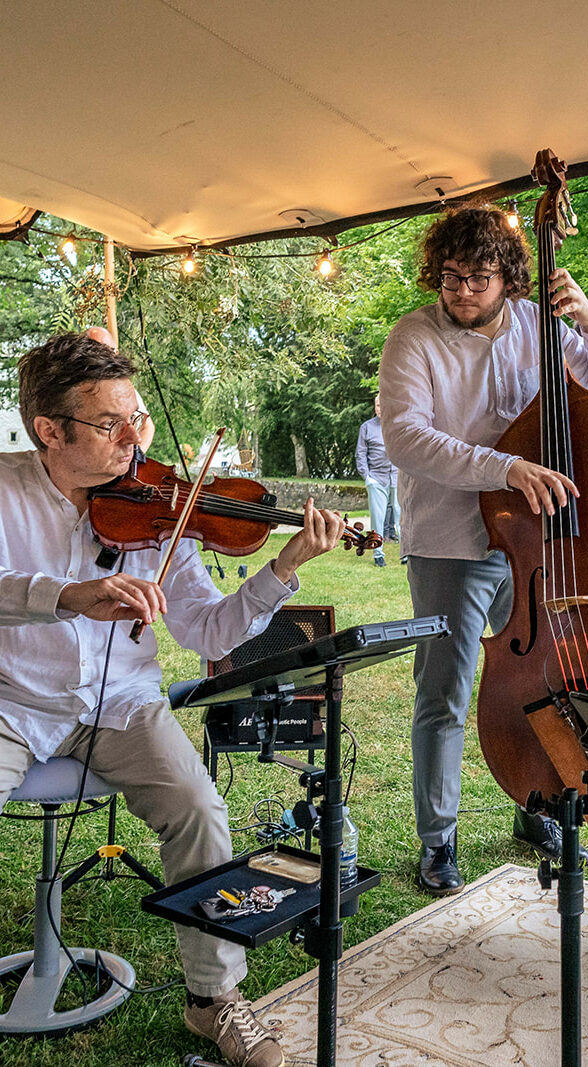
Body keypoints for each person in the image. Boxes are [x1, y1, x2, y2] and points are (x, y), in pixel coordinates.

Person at [0, 333, 346, 1067]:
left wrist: (283, 567)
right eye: (108, 424)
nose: (132, 438)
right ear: (49, 431)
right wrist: (68, 596)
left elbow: (207, 625)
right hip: (13, 700)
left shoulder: (159, 509)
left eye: (136, 417)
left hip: (124, 706)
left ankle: (213, 998)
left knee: (198, 808)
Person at [378, 205, 588, 896]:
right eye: (451, 277)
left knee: (539, 684)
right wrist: (505, 468)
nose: (460, 290)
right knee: (445, 693)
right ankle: (437, 838)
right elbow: (405, 437)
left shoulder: (535, 324)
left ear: (508, 279)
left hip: (533, 540)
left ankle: (536, 803)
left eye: (478, 277)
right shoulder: (412, 337)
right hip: (450, 541)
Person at [85, 325, 157, 452]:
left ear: (115, 353)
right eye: (95, 350)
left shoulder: (125, 389)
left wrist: (134, 460)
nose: (102, 356)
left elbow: (148, 427)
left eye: (108, 350)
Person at [355, 392, 400, 567]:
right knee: (377, 518)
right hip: (376, 478)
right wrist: (367, 477)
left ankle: (407, 554)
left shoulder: (397, 426)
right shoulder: (366, 427)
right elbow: (360, 454)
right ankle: (378, 554)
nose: (380, 408)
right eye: (377, 405)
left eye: (383, 405)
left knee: (402, 517)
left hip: (397, 476)